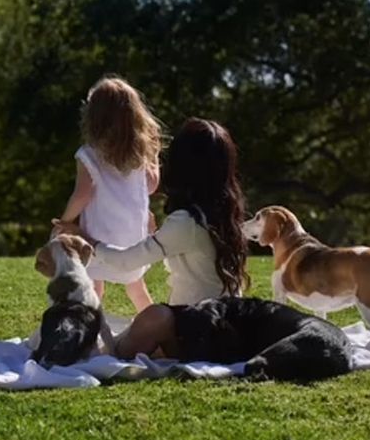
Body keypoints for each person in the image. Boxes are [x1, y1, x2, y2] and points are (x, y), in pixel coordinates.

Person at [53, 117, 250, 359]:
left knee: (153, 317)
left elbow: (126, 261)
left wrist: (87, 239)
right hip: (228, 328)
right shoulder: (226, 214)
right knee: (148, 319)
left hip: (198, 332)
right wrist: (157, 235)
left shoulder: (187, 222)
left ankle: (108, 352)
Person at [56, 76, 161, 313]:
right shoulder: (138, 154)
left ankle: (88, 331)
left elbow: (83, 194)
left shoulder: (88, 154)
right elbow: (152, 186)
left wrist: (66, 220)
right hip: (133, 236)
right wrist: (153, 157)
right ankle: (160, 331)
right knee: (136, 287)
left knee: (94, 288)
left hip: (97, 234)